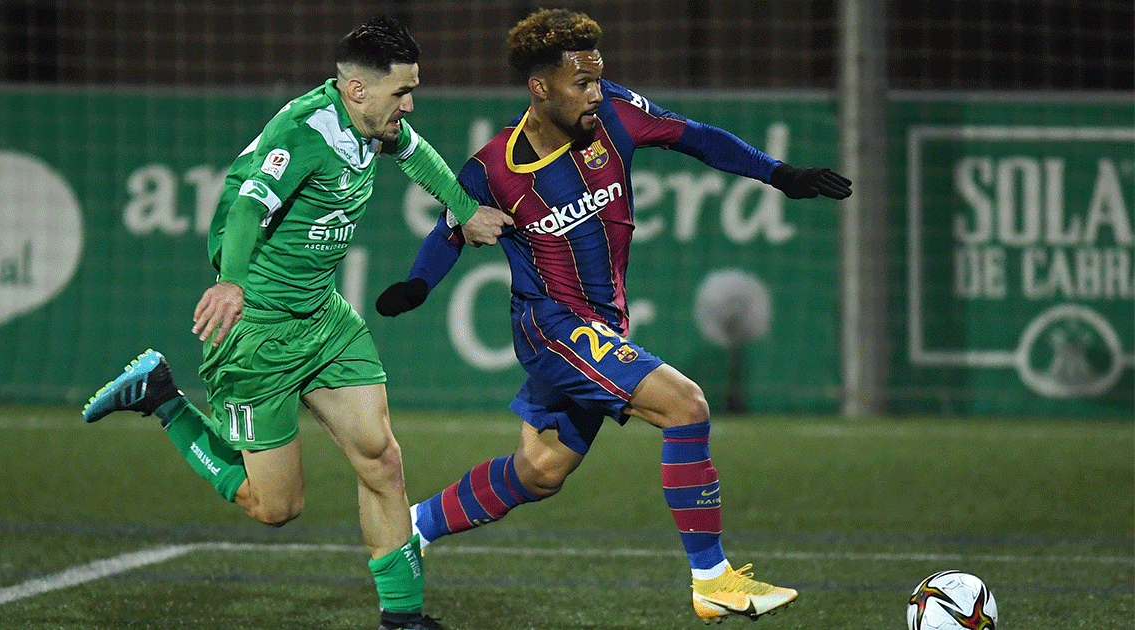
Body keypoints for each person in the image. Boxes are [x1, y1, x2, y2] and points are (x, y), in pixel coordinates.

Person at [375, 8, 851, 623]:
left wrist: (781, 174)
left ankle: (412, 529)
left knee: (540, 471)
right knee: (686, 407)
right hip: (550, 328)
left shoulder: (617, 115)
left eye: (599, 79)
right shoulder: (494, 169)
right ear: (541, 87)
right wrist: (417, 285)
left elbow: (697, 136)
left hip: (599, 327)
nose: (597, 93)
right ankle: (713, 577)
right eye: (583, 83)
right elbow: (449, 230)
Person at [82, 16, 509, 630]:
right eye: (401, 92)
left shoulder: (376, 123)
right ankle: (162, 399)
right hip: (258, 333)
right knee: (275, 507)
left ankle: (403, 619)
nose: (409, 105)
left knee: (382, 461)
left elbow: (421, 158)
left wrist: (466, 210)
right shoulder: (305, 131)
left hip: (324, 317)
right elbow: (249, 207)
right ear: (357, 88)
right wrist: (230, 279)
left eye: (413, 89)